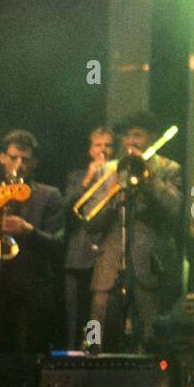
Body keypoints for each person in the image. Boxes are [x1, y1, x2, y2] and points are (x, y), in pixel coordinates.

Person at [87, 111, 183, 351]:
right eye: (127, 136)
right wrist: (112, 195)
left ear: (152, 137)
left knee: (153, 339)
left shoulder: (170, 169)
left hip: (149, 269)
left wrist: (147, 181)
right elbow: (91, 222)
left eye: (138, 135)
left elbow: (174, 210)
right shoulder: (108, 170)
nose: (131, 141)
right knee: (95, 336)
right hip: (108, 271)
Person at [0, 129, 64, 354]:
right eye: (13, 158)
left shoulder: (49, 195)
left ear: (34, 162)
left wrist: (29, 231)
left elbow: (58, 245)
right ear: (2, 158)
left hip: (33, 294)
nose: (19, 164)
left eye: (25, 159)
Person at [62, 125, 114, 348]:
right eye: (98, 145)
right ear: (90, 150)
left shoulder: (117, 176)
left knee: (96, 319)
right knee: (75, 315)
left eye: (108, 145)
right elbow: (65, 208)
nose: (103, 150)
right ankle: (73, 357)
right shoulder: (76, 177)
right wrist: (89, 179)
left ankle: (93, 353)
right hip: (78, 258)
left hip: (104, 257)